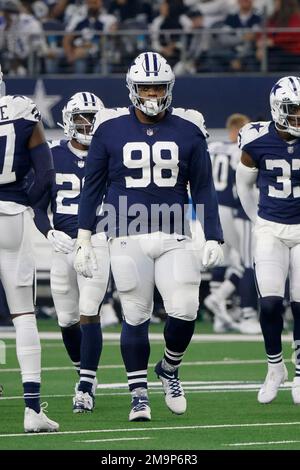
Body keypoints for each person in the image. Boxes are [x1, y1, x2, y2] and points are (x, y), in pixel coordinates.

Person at [74, 52, 223, 422]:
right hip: (125, 231)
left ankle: (170, 368)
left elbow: (203, 188)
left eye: (158, 86)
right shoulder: (109, 129)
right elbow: (91, 188)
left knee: (186, 309)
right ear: (133, 88)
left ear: (169, 87)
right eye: (146, 87)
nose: (153, 93)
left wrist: (213, 236)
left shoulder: (188, 129)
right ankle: (138, 394)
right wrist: (84, 237)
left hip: (175, 231)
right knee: (135, 314)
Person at [34, 92, 112, 413]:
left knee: (88, 309)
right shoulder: (52, 156)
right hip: (63, 244)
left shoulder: (111, 155)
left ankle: (85, 386)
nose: (88, 123)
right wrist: (48, 232)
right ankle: (84, 373)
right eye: (82, 117)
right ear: (69, 120)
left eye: (93, 117)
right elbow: (37, 206)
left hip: (98, 241)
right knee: (66, 319)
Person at [0, 65, 58, 431]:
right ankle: (32, 410)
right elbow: (46, 174)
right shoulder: (21, 110)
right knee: (23, 315)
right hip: (11, 215)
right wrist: (31, 205)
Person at [236, 75, 300, 404]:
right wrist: (257, 219)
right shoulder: (256, 141)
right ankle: (275, 366)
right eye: (292, 110)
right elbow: (243, 186)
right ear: (277, 109)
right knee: (271, 303)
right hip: (271, 228)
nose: (298, 116)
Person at [206, 113, 261, 334]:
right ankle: (246, 312)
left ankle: (220, 311)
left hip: (210, 207)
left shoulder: (212, 146)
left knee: (227, 260)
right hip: (231, 207)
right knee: (247, 261)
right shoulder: (237, 150)